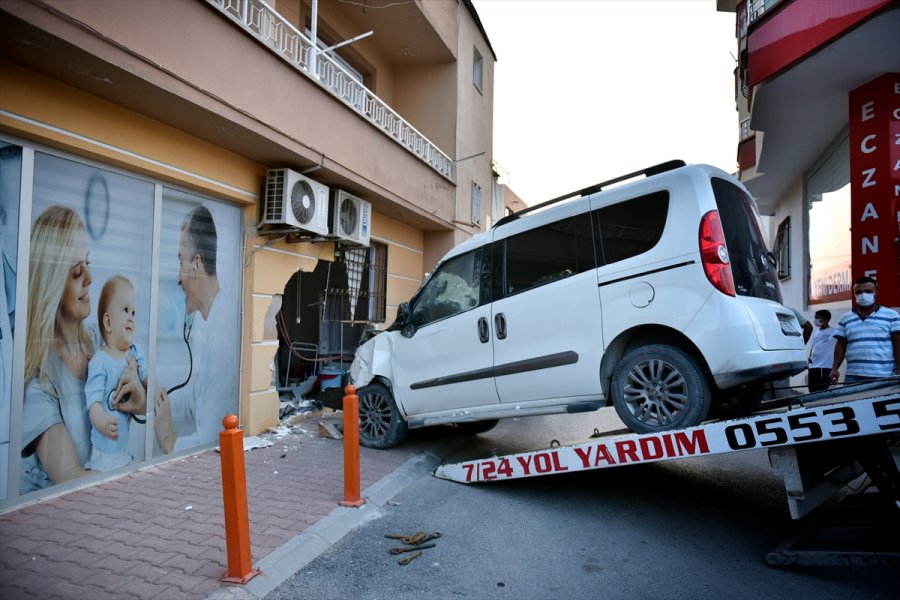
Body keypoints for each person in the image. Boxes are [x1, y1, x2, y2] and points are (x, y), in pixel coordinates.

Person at [21, 206, 146, 493]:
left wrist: (140, 398)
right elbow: (71, 478)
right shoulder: (38, 381)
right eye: (77, 272)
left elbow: (143, 396)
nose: (90, 278)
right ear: (51, 283)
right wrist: (138, 479)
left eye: (88, 263)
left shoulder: (99, 340)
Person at [154, 205, 236, 453]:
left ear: (195, 264)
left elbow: (210, 441)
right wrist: (147, 403)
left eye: (181, 262)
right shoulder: (204, 321)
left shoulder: (224, 340)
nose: (178, 278)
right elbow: (193, 397)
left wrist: (168, 439)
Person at [85, 276, 148, 472]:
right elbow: (93, 403)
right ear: (108, 323)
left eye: (134, 312)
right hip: (102, 455)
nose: (131, 317)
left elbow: (147, 379)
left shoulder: (135, 352)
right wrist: (103, 423)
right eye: (125, 310)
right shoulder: (99, 362)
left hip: (122, 448)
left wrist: (153, 388)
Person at [830, 276, 900, 385]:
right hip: (853, 376)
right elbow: (841, 345)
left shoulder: (891, 315)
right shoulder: (846, 318)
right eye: (859, 292)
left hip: (884, 375)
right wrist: (834, 368)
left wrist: (899, 368)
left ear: (876, 292)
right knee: (850, 401)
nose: (863, 295)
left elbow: (898, 343)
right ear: (854, 294)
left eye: (868, 291)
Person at [807, 309, 836, 392]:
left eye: (817, 318)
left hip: (824, 368)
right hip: (813, 368)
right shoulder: (816, 332)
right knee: (812, 391)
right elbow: (812, 348)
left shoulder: (834, 331)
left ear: (825, 319)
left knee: (821, 392)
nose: (815, 320)